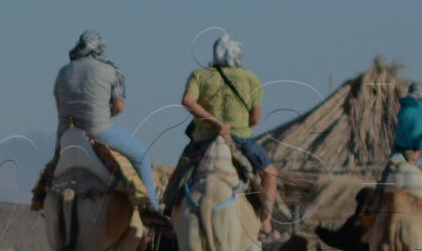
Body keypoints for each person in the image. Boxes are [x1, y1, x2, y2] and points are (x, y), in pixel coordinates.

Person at [43, 31, 163, 220]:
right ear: (100, 49)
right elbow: (119, 106)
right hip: (99, 130)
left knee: (54, 166)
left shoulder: (63, 71)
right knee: (141, 157)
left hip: (67, 132)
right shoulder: (112, 71)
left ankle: (44, 199)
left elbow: (59, 105)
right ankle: (153, 210)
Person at [169, 34, 281, 236]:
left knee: (177, 177)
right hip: (240, 140)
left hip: (203, 141)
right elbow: (255, 119)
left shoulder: (199, 75)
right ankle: (265, 222)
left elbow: (187, 101)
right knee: (270, 173)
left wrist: (214, 122)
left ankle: (166, 213)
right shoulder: (250, 78)